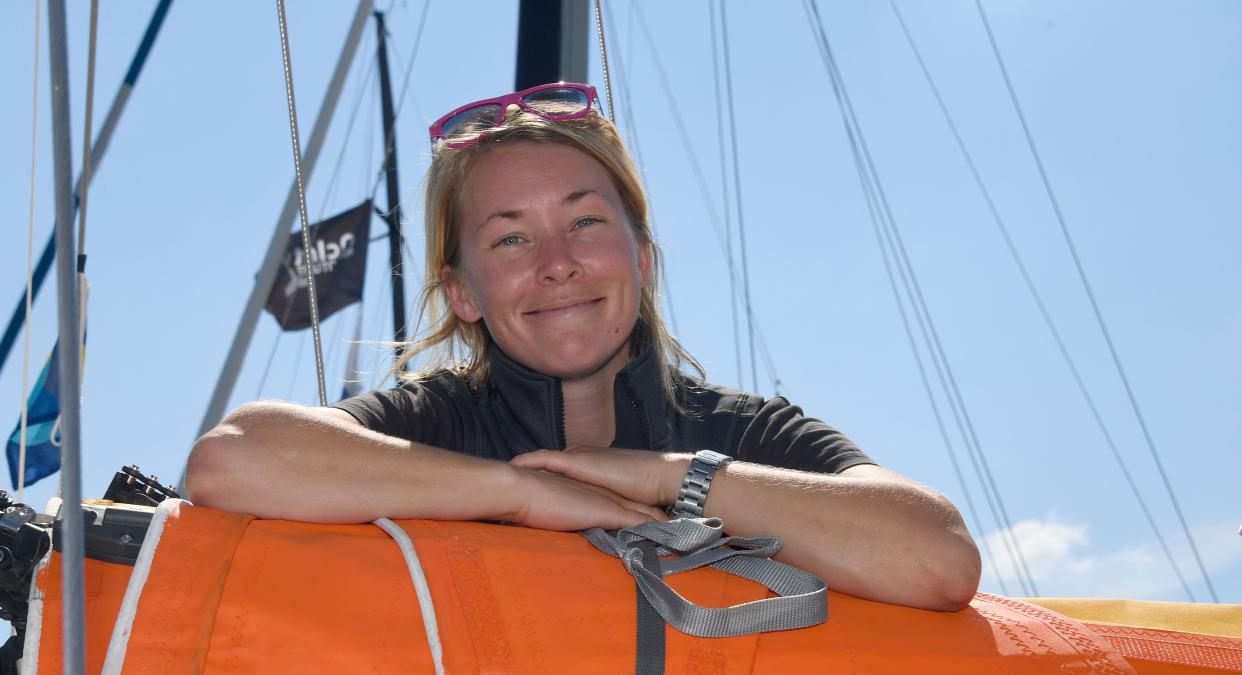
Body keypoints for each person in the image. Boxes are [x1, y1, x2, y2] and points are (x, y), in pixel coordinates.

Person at [185, 82, 980, 612]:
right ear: (463, 292)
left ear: (644, 256)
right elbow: (233, 458)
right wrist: (524, 495)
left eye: (586, 222)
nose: (556, 262)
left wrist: (667, 478)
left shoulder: (746, 434)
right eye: (509, 239)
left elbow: (937, 557)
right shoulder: (433, 423)